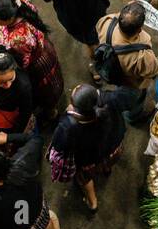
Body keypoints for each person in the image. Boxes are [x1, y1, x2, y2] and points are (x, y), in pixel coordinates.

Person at [49, 83, 136, 214]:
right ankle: (107, 169)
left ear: (76, 107)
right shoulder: (111, 100)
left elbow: (58, 146)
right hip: (114, 150)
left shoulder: (69, 126)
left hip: (88, 162)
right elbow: (130, 98)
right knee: (107, 162)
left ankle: (93, 202)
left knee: (85, 179)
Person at [0, 0, 63, 122]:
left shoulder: (18, 39)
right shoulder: (21, 5)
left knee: (45, 91)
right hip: (43, 48)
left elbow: (23, 63)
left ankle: (52, 114)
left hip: (36, 64)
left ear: (9, 18)